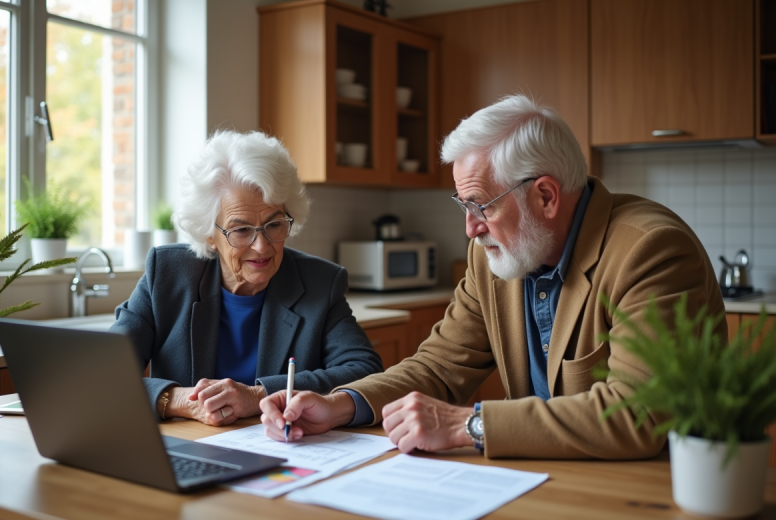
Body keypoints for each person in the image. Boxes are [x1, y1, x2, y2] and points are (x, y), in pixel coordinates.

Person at [259, 95, 726, 459]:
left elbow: (638, 414)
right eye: (464, 206)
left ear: (545, 196)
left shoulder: (649, 249)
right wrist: (341, 404)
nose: (470, 227)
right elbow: (438, 367)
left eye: (481, 205)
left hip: (651, 490)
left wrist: (468, 425)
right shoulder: (494, 258)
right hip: (545, 479)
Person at [110, 130, 383, 426]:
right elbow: (103, 371)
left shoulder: (320, 283)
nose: (262, 246)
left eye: (274, 224)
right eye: (240, 230)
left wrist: (258, 395)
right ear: (209, 235)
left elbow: (365, 370)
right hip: (187, 448)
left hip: (279, 448)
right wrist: (176, 400)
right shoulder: (167, 274)